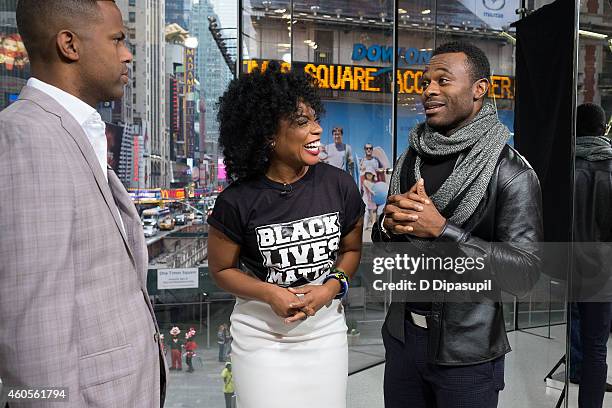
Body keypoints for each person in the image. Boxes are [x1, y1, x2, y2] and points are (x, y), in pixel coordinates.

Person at [0, 1, 167, 406]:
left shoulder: (73, 130)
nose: (127, 54)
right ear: (69, 45)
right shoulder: (28, 141)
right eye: (117, 40)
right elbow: (32, 338)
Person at [373, 42, 543, 408]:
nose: (429, 89)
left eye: (443, 80)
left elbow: (524, 275)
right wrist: (387, 226)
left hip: (467, 353)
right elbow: (386, 246)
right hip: (403, 340)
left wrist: (443, 230)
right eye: (426, 80)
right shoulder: (408, 160)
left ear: (479, 89)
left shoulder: (511, 172)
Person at [208, 62, 364, 408]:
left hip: (324, 333)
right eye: (301, 121)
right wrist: (269, 293)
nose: (317, 130)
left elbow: (351, 250)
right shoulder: (237, 200)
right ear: (268, 134)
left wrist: (330, 288)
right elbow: (221, 271)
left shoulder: (338, 185)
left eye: (315, 119)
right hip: (261, 336)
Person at [570, 102, 612, 408]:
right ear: (602, 129)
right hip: (604, 270)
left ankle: (573, 370)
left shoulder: (562, 166)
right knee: (597, 347)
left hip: (565, 263)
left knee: (574, 330)